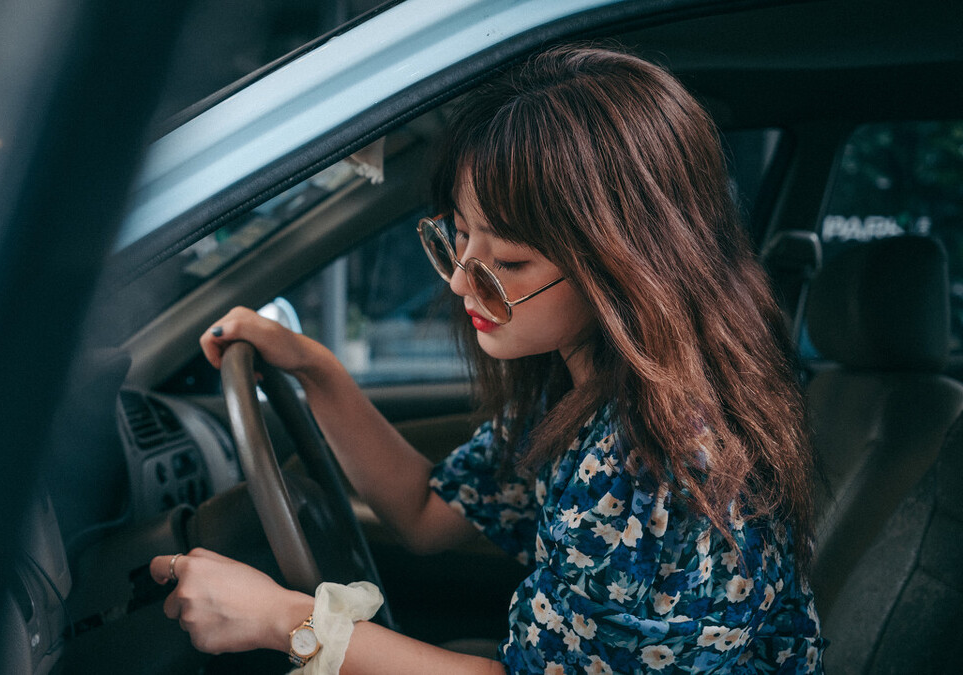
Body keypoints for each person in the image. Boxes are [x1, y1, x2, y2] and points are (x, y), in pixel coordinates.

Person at [152, 44, 825, 674]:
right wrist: (314, 368)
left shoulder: (653, 459)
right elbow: (423, 512)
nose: (459, 279)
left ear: (626, 268)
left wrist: (285, 619)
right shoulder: (579, 389)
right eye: (460, 236)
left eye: (507, 261)